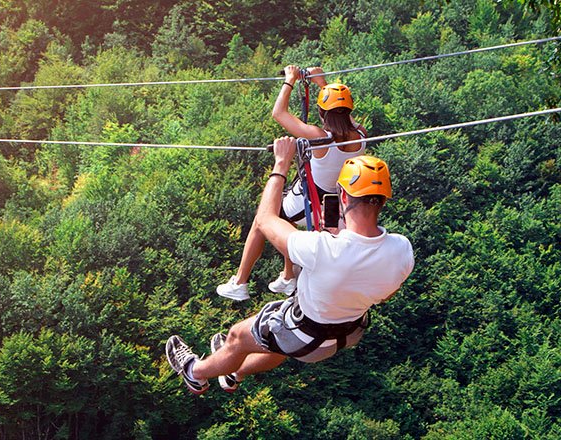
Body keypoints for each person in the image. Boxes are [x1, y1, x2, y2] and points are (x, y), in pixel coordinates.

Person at [166, 138, 414, 394]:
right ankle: (235, 373)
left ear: (342, 195)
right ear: (384, 200)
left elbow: (265, 220)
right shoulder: (402, 250)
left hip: (304, 334)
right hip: (346, 334)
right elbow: (386, 294)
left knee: (237, 337)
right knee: (276, 343)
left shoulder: (321, 248)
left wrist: (281, 163)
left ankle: (194, 373)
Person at [217, 65, 368, 301]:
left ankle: (240, 282)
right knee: (288, 222)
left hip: (311, 198)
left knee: (262, 219)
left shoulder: (319, 137)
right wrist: (322, 83)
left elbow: (279, 113)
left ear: (322, 112)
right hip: (334, 201)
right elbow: (343, 115)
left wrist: (289, 80)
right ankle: (288, 276)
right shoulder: (361, 135)